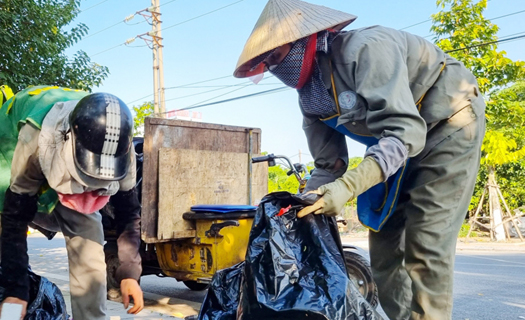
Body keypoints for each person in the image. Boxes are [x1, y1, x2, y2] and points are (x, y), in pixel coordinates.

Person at [233, 1, 486, 319]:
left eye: (275, 56)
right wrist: (304, 203)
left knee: (426, 246)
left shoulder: (365, 50)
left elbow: (404, 133)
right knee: (383, 254)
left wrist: (347, 188)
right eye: (266, 63)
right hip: (394, 148)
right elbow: (329, 166)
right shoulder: (310, 98)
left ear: (304, 40)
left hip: (447, 125)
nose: (273, 68)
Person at [0, 85, 144, 319]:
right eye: (87, 179)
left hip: (64, 167)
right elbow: (14, 217)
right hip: (8, 151)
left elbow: (129, 214)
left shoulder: (121, 151)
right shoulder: (35, 141)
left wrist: (129, 274)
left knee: (89, 238)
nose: (89, 188)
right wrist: (16, 290)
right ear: (69, 140)